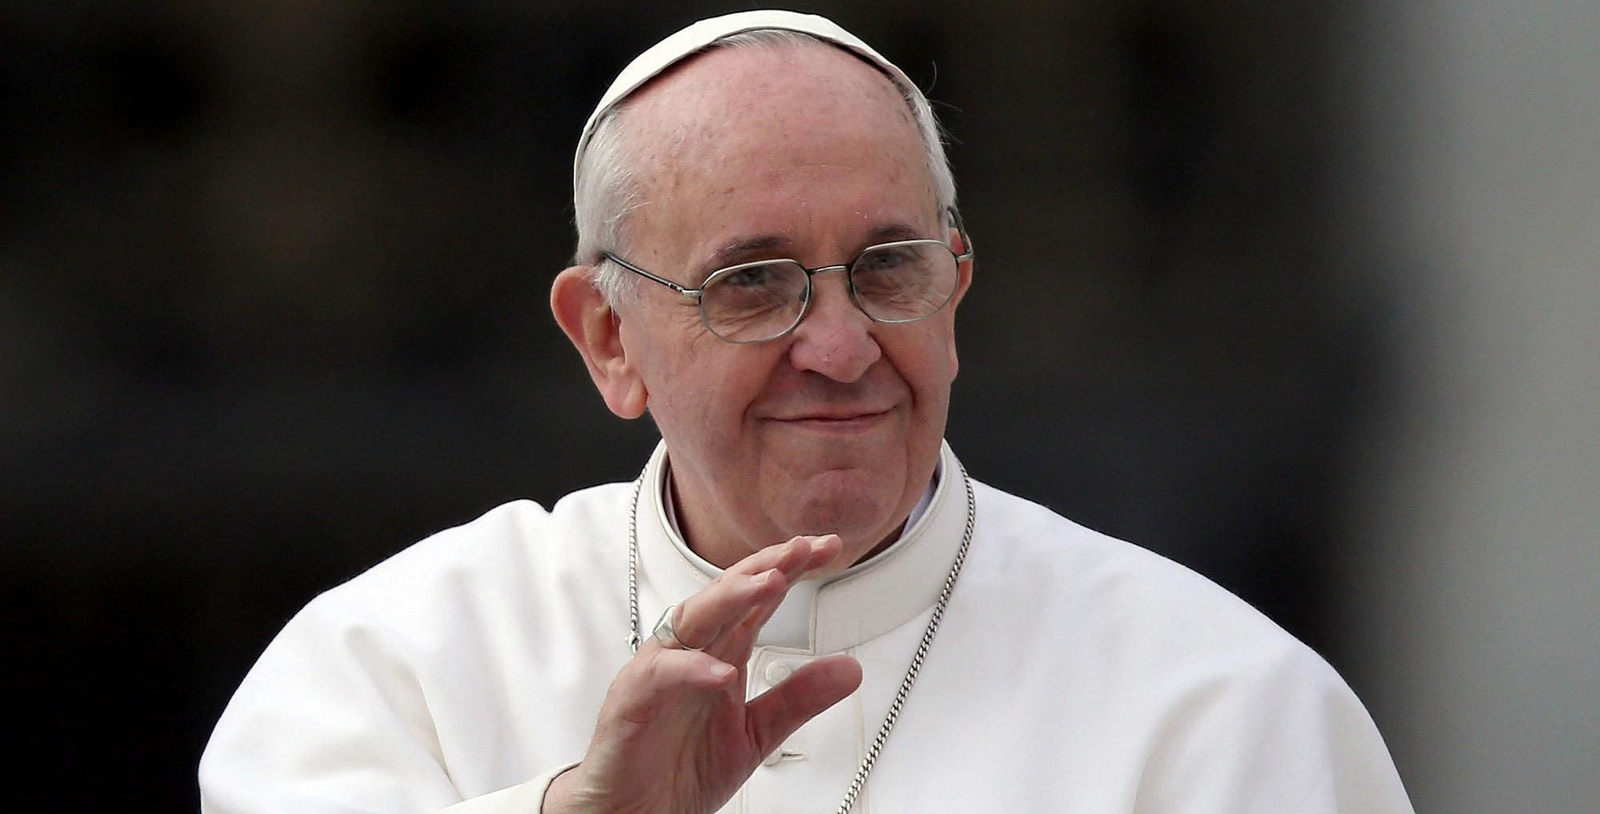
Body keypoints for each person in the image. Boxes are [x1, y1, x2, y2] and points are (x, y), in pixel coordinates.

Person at [199, 10, 1414, 814]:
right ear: (609, 339)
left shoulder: (1222, 708)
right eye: (753, 283)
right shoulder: (389, 669)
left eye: (887, 267)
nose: (837, 350)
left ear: (955, 289)